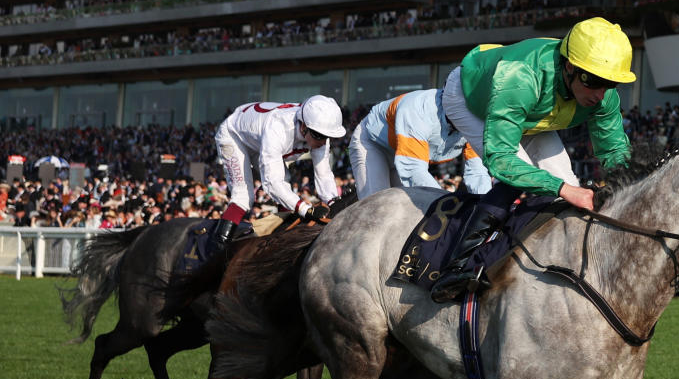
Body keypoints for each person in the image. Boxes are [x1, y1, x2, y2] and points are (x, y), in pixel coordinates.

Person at [430, 16, 635, 302]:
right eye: (593, 81)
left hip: (534, 113)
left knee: (566, 184)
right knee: (530, 179)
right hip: (470, 98)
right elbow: (501, 160)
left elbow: (615, 153)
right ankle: (457, 266)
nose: (600, 95)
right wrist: (564, 189)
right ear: (570, 66)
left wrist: (633, 185)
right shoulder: (520, 76)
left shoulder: (603, 96)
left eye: (610, 84)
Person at [211, 95, 344, 250]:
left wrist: (333, 201)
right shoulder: (279, 129)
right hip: (234, 136)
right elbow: (271, 183)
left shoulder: (316, 130)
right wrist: (305, 209)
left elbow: (324, 173)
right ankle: (217, 249)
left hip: (258, 137)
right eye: (319, 136)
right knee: (243, 196)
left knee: (286, 183)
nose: (323, 142)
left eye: (328, 137)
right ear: (303, 127)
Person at [348, 88, 490, 199]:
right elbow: (413, 169)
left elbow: (477, 172)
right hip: (373, 145)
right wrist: (447, 203)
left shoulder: (475, 122)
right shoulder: (418, 109)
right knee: (377, 207)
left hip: (404, 154)